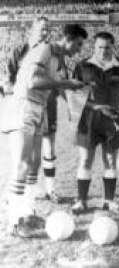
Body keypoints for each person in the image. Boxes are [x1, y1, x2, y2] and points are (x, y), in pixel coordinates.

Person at [4, 23, 88, 237]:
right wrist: (65, 84)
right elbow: (33, 81)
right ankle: (14, 221)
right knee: (22, 164)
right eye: (78, 44)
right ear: (67, 39)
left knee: (34, 164)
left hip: (38, 108)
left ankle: (28, 213)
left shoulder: (59, 60)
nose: (79, 49)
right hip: (24, 106)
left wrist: (93, 105)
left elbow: (60, 90)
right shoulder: (44, 49)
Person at [5, 16, 66, 203]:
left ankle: (50, 189)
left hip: (47, 104)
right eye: (42, 29)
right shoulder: (20, 51)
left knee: (44, 152)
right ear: (32, 30)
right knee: (22, 158)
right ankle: (17, 200)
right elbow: (8, 81)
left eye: (48, 29)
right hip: (25, 105)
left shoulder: (54, 54)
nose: (45, 33)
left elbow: (62, 79)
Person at [72, 31, 119, 215]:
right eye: (99, 47)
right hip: (88, 119)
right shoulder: (82, 66)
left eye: (107, 47)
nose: (103, 51)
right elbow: (74, 96)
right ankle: (82, 201)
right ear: (94, 47)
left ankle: (109, 201)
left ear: (113, 46)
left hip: (113, 121)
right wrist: (97, 107)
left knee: (111, 160)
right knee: (85, 160)